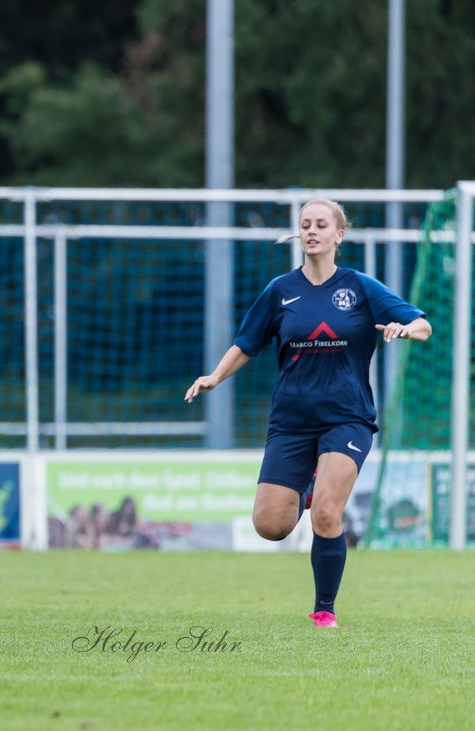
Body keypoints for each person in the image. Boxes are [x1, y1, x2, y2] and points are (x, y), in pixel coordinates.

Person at [184, 199, 431, 628]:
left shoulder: (360, 287)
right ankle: (308, 487)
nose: (312, 231)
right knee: (271, 525)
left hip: (347, 418)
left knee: (327, 514)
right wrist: (215, 377)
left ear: (339, 235)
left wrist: (405, 328)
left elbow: (423, 325)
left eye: (321, 225)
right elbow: (246, 343)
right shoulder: (280, 291)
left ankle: (324, 610)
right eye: (305, 225)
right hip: (292, 422)